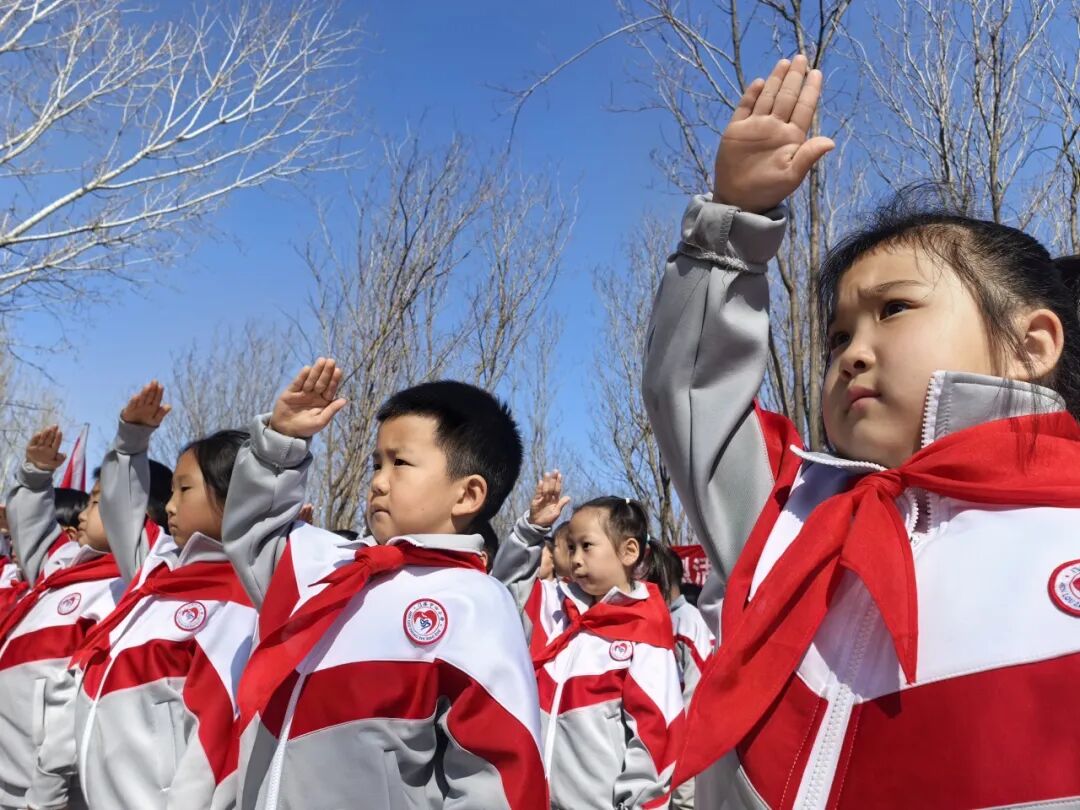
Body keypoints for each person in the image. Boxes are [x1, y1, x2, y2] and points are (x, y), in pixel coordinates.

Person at [644, 53, 1080, 806]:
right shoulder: (789, 512)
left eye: (894, 310)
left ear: (1030, 344)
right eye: (837, 337)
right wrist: (731, 227)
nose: (852, 353)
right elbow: (691, 393)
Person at [222, 358, 547, 809]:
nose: (377, 481)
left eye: (400, 463)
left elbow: (496, 774)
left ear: (468, 494)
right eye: (376, 463)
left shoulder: (476, 602)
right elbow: (256, 533)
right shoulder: (327, 563)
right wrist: (281, 443)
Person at [61, 381, 256, 810]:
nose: (169, 506)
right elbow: (122, 513)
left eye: (184, 490)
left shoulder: (239, 600)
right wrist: (131, 442)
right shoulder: (158, 569)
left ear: (236, 496)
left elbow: (212, 748)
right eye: (170, 493)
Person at [524, 495, 684, 809]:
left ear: (628, 551)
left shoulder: (646, 631)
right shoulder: (556, 608)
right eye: (571, 547)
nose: (576, 559)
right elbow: (507, 590)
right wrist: (529, 530)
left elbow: (655, 736)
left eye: (587, 546)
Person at [0, 427, 126, 810]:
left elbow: (77, 704)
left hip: (39, 794)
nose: (84, 514)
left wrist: (46, 795)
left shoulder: (122, 592)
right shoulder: (64, 566)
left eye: (97, 503)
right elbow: (33, 529)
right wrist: (36, 475)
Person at [648, 545, 713, 810]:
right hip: (663, 737)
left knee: (684, 801)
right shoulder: (658, 620)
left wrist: (683, 740)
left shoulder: (687, 621)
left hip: (685, 739)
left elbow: (695, 689)